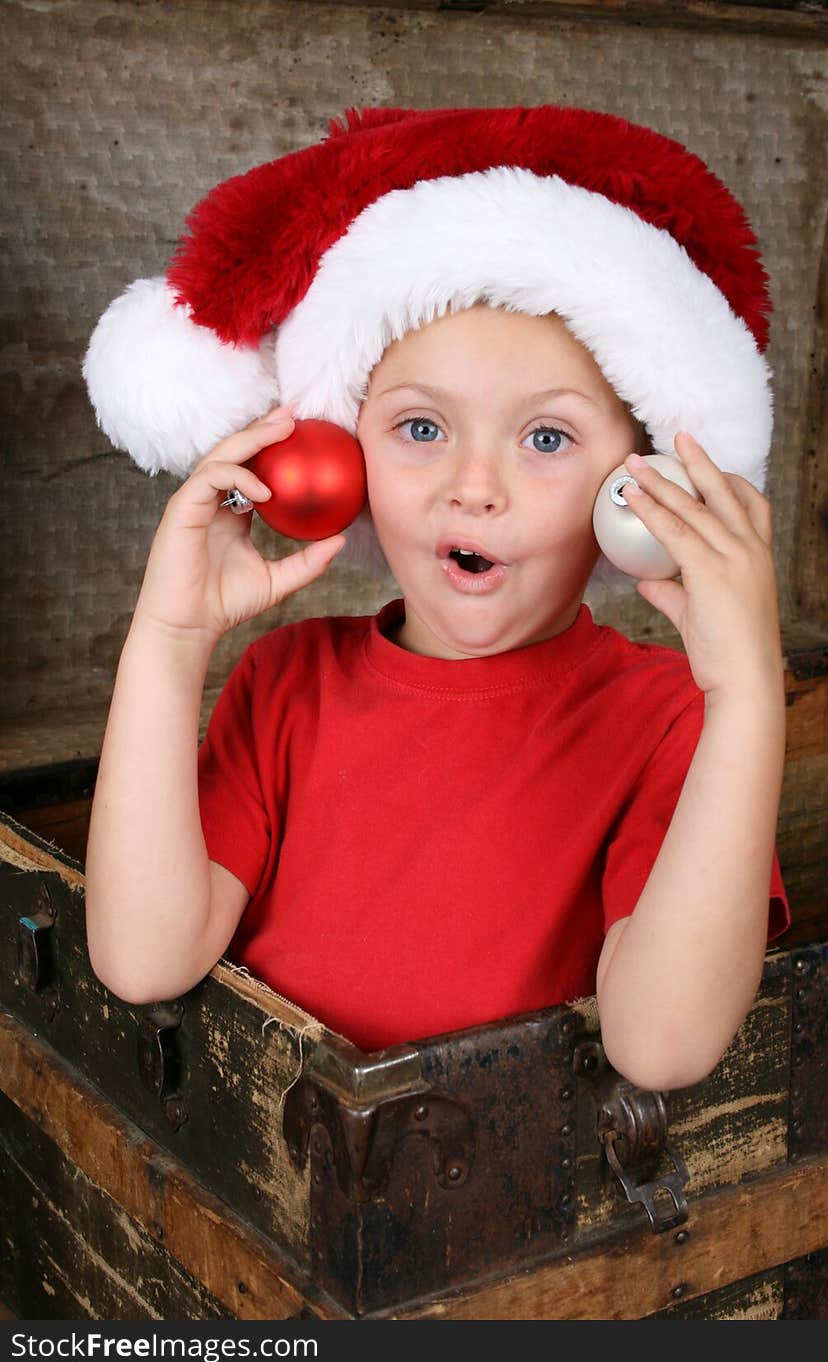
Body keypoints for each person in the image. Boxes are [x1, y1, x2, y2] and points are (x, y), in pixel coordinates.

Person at [82, 106, 790, 1092]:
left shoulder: (676, 717)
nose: (474, 485)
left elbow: (660, 1045)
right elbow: (142, 957)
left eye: (545, 439)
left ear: (638, 490)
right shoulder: (287, 681)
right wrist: (169, 637)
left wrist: (748, 694)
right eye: (420, 427)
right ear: (336, 451)